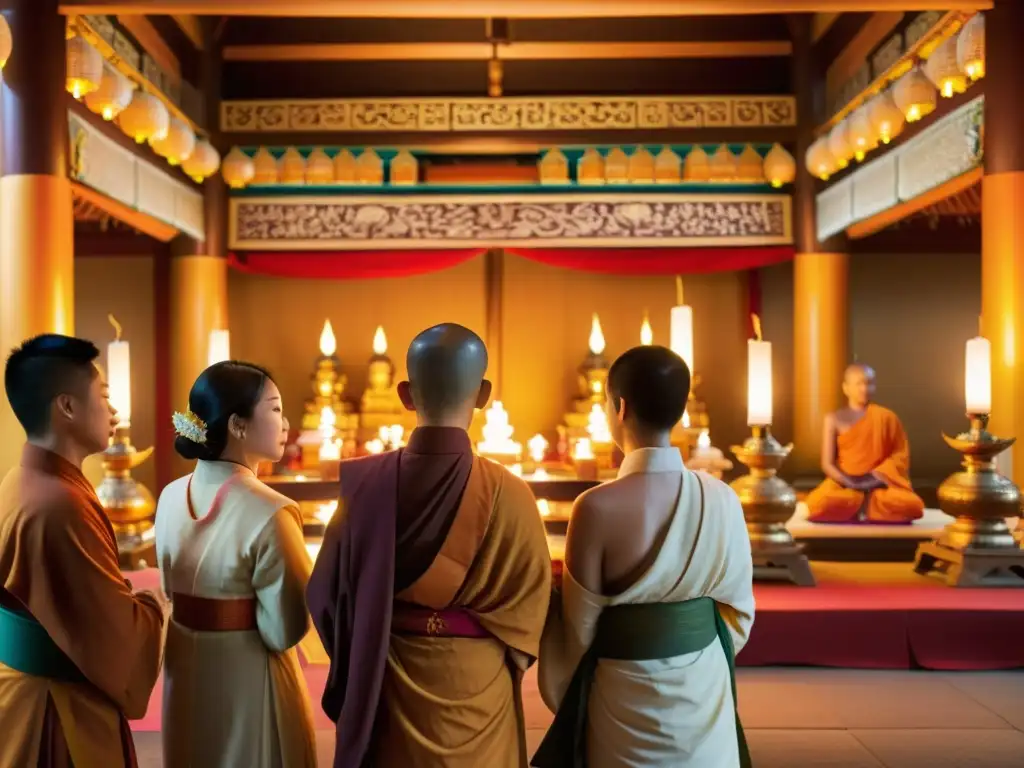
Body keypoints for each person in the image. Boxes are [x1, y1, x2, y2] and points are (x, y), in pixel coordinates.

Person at [308, 323, 551, 768]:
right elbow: (533, 603)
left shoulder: (365, 486)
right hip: (479, 689)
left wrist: (364, 646)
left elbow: (324, 595)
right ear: (483, 394)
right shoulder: (511, 492)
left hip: (388, 677)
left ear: (404, 394)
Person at [534, 345, 754, 768]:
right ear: (681, 408)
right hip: (703, 688)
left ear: (619, 407)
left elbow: (579, 630)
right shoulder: (722, 499)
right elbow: (738, 614)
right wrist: (688, 651)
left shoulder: (595, 507)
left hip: (621, 694)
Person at [0, 334, 167, 767]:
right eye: (104, 396)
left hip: (21, 693)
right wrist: (155, 603)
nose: (113, 411)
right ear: (67, 407)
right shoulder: (60, 505)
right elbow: (114, 635)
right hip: (57, 707)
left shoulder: (20, 479)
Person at [155, 361, 317, 767]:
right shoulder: (272, 511)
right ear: (238, 426)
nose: (286, 422)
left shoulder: (169, 496)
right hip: (247, 675)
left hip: (185, 667)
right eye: (276, 409)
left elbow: (168, 587)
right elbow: (285, 630)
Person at [806, 363, 925, 524]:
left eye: (869, 383)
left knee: (912, 506)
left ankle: (861, 507)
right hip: (845, 486)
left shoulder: (887, 417)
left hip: (878, 486)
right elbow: (827, 464)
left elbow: (900, 456)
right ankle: (865, 507)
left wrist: (874, 480)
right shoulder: (834, 418)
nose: (864, 388)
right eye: (859, 384)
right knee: (819, 503)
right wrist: (849, 483)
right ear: (846, 388)